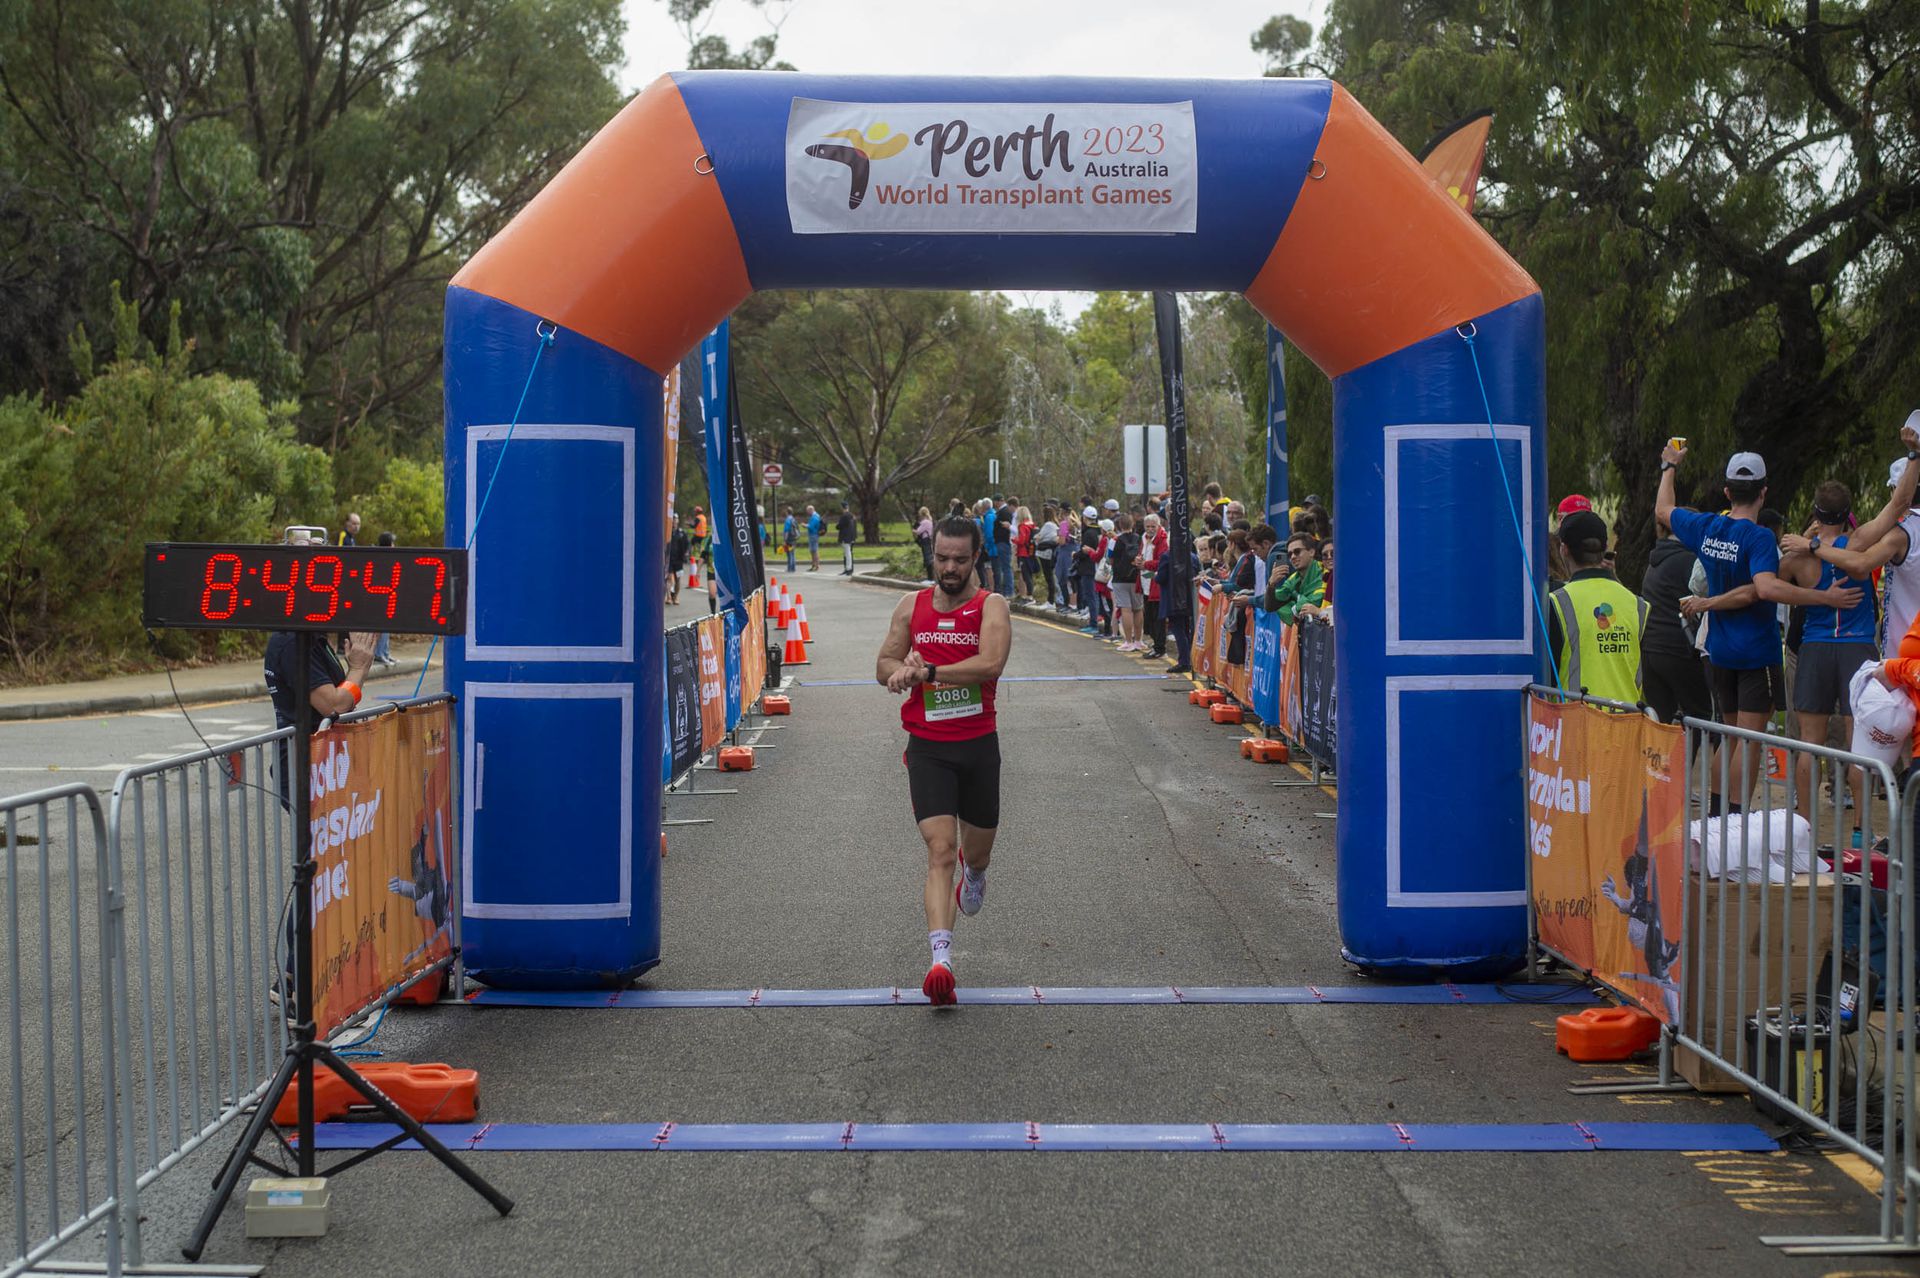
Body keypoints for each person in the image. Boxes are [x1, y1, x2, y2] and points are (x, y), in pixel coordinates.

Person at [1657, 444, 1861, 808]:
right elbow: (1765, 588)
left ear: (1727, 492)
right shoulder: (1759, 537)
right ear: (1764, 492)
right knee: (1748, 740)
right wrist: (1824, 597)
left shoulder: (1707, 526)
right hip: (1755, 652)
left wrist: (1669, 467)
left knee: (1730, 735)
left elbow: (1663, 510)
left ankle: (1719, 817)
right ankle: (1736, 818)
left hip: (1719, 648)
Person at [874, 515, 1012, 1007]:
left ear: (977, 558)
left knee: (973, 855)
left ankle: (976, 876)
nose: (949, 568)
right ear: (932, 555)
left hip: (977, 746)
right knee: (939, 850)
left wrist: (929, 671)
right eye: (942, 558)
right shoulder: (911, 606)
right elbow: (884, 662)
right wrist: (899, 675)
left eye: (960, 559)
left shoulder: (990, 606)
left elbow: (991, 664)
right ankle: (940, 961)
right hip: (928, 746)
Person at [1777, 480, 1878, 836]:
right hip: (1858, 646)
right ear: (1849, 516)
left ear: (1816, 515)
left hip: (1816, 647)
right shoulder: (1861, 546)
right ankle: (1861, 832)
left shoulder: (1797, 557)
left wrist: (1806, 541)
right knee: (1858, 744)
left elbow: (1777, 585)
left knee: (1809, 743)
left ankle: (1804, 828)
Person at [1783, 421, 1920, 654]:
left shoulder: (1898, 535)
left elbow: (1766, 590)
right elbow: (1898, 504)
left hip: (1899, 651)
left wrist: (1810, 545)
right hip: (1863, 644)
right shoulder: (1866, 539)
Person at [1545, 511, 1647, 703]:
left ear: (1563, 549)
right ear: (1606, 547)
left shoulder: (1556, 603)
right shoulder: (1638, 604)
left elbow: (1548, 675)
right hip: (1628, 722)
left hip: (1579, 724)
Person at [1638, 517, 1712, 724]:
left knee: (1662, 719)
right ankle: (1685, 758)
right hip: (1679, 648)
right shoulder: (1688, 560)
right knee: (1700, 716)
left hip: (1651, 649)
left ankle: (1664, 758)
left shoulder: (1656, 559)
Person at [1265, 531, 1323, 625]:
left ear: (1311, 552)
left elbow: (1312, 603)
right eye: (1289, 554)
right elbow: (1270, 607)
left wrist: (1294, 602)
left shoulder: (1323, 572)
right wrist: (1271, 584)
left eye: (1297, 552)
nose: (1292, 557)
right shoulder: (1294, 578)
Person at [1108, 512, 1145, 651]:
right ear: (1132, 524)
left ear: (1119, 525)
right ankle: (1139, 640)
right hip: (1136, 577)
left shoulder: (1115, 540)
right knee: (1138, 609)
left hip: (1119, 579)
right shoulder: (1139, 539)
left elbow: (1110, 559)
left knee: (1126, 609)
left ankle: (1128, 641)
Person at [1140, 512, 1169, 658]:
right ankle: (1156, 644)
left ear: (1159, 526)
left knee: (1158, 618)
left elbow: (1162, 562)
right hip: (1146, 580)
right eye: (1147, 526)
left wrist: (1145, 564)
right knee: (1150, 617)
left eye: (1153, 526)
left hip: (1156, 581)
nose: (1150, 529)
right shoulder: (1144, 538)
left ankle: (1160, 648)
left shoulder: (1163, 540)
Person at [372, 531, 397, 666]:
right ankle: (379, 654)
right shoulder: (382, 557)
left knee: (387, 627)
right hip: (380, 596)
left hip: (388, 596)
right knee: (382, 628)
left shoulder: (390, 556)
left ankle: (386, 653)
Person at [1013, 505, 1037, 602]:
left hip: (1023, 553)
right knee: (1029, 575)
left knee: (1025, 574)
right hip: (1030, 552)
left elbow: (1022, 540)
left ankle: (1029, 596)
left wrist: (1014, 540)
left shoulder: (1022, 526)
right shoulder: (1032, 525)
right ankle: (1029, 594)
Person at [666, 516, 690, 605]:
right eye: (672, 520)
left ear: (678, 521)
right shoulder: (667, 532)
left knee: (678, 579)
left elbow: (687, 544)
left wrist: (686, 553)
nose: (673, 522)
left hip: (679, 560)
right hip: (669, 559)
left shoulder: (681, 533)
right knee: (668, 578)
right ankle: (668, 597)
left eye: (675, 520)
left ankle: (675, 597)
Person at [914, 506, 936, 583]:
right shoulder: (930, 521)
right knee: (930, 557)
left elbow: (918, 531)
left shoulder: (924, 522)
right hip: (929, 540)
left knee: (927, 559)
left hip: (925, 540)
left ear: (921, 514)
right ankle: (931, 577)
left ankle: (930, 577)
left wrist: (913, 530)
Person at [837, 504, 857, 575]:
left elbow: (839, 526)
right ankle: (849, 568)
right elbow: (854, 528)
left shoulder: (844, 516)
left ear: (843, 508)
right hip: (851, 537)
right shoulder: (853, 516)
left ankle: (848, 568)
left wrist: (837, 525)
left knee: (847, 553)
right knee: (848, 553)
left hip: (845, 537)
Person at [806, 504, 823, 571]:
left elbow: (811, 526)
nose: (807, 513)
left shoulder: (815, 516)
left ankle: (816, 565)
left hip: (814, 535)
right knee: (812, 551)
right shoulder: (815, 516)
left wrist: (805, 525)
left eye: (807, 511)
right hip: (813, 535)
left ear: (811, 510)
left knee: (814, 551)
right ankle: (814, 565)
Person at [782, 506, 798, 573]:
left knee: (789, 554)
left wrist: (785, 540)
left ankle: (789, 568)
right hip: (794, 538)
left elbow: (786, 531)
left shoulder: (787, 520)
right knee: (793, 553)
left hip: (789, 539)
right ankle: (793, 568)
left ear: (787, 512)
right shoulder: (793, 519)